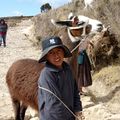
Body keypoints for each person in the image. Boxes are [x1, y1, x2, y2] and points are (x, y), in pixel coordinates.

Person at [38, 36, 83, 120]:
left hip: (70, 115)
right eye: (51, 53)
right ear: (46, 57)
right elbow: (54, 104)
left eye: (59, 51)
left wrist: (78, 110)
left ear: (63, 52)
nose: (56, 55)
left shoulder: (68, 69)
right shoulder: (47, 75)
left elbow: (75, 91)